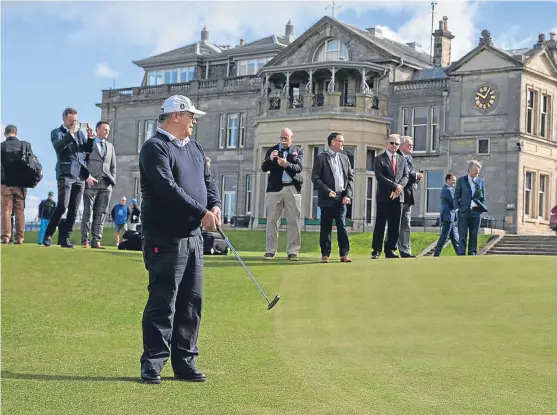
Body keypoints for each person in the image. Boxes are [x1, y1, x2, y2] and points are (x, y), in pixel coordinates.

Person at [139, 94, 221, 384]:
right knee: (163, 301)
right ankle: (153, 363)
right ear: (175, 116)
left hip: (193, 237)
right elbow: (167, 188)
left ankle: (184, 362)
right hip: (165, 236)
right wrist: (201, 212)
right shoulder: (155, 148)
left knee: (191, 302)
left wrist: (214, 206)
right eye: (190, 116)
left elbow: (208, 181)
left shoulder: (194, 147)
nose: (194, 121)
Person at [43, 108, 95, 248]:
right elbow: (59, 147)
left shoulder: (79, 133)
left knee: (74, 208)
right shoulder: (57, 132)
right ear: (65, 119)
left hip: (80, 175)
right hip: (65, 173)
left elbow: (87, 149)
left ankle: (66, 238)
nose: (74, 123)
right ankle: (48, 234)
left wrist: (90, 137)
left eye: (75, 121)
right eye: (71, 121)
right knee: (62, 205)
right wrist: (70, 133)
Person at [261, 127, 303, 261]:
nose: (283, 141)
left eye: (286, 138)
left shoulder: (298, 151)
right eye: (281, 138)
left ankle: (293, 251)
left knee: (293, 221)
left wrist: (286, 164)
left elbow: (299, 168)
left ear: (292, 138)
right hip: (275, 189)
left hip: (291, 188)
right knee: (272, 220)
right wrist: (270, 159)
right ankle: (270, 251)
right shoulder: (272, 150)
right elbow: (264, 168)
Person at [311, 132, 354, 263]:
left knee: (342, 225)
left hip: (341, 198)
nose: (343, 144)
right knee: (326, 227)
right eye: (341, 141)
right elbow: (315, 178)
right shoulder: (321, 158)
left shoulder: (345, 158)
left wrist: (348, 195)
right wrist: (327, 191)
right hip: (327, 198)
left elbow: (350, 178)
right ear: (333, 142)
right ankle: (325, 254)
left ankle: (344, 254)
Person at [371, 134, 409, 259]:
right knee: (380, 224)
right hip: (384, 196)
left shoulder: (402, 159)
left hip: (398, 197)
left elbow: (405, 176)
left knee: (395, 225)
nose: (394, 146)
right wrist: (394, 187)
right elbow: (380, 177)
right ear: (387, 144)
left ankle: (390, 250)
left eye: (396, 144)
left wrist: (398, 188)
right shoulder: (379, 159)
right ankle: (376, 250)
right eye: (392, 143)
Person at [80, 121, 116, 249]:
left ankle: (97, 240)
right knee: (88, 212)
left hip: (106, 184)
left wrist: (113, 181)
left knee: (101, 213)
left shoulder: (110, 146)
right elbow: (82, 161)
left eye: (108, 130)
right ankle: (85, 241)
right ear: (98, 130)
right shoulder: (90, 143)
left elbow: (113, 166)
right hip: (91, 182)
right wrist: (86, 177)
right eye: (105, 129)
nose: (107, 132)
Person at [1, 125, 34, 244]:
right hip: (21, 184)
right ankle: (20, 237)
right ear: (16, 133)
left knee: (6, 210)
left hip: (5, 183)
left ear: (5, 134)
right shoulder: (24, 145)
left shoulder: (1, 146)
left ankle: (6, 236)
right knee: (20, 210)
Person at [397, 136, 423, 258]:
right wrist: (415, 175)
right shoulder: (397, 156)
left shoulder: (410, 158)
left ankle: (405, 250)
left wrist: (416, 178)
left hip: (408, 195)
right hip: (398, 194)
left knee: (406, 224)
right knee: (395, 224)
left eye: (412, 145)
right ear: (401, 145)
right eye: (409, 145)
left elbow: (411, 175)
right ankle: (390, 249)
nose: (411, 147)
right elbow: (405, 174)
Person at [454, 160, 487, 256]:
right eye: (475, 170)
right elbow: (456, 196)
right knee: (462, 234)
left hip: (476, 212)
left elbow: (482, 197)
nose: (477, 172)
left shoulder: (481, 182)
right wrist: (457, 209)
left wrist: (481, 209)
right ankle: (461, 253)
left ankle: (472, 253)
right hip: (463, 211)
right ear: (470, 169)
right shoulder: (461, 180)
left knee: (474, 234)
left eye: (478, 170)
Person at [433, 173, 460, 256]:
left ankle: (461, 254)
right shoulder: (447, 190)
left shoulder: (450, 189)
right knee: (444, 237)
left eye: (455, 181)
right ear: (447, 180)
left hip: (451, 217)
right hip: (447, 217)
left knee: (455, 238)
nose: (454, 182)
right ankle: (436, 254)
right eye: (453, 180)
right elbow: (453, 202)